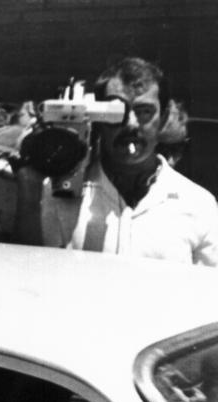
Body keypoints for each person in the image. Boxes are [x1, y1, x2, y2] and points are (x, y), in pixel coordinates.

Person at [15, 57, 218, 265]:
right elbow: (32, 271)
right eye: (115, 113)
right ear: (97, 118)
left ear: (164, 118)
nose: (130, 124)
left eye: (144, 112)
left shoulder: (198, 205)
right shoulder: (57, 192)